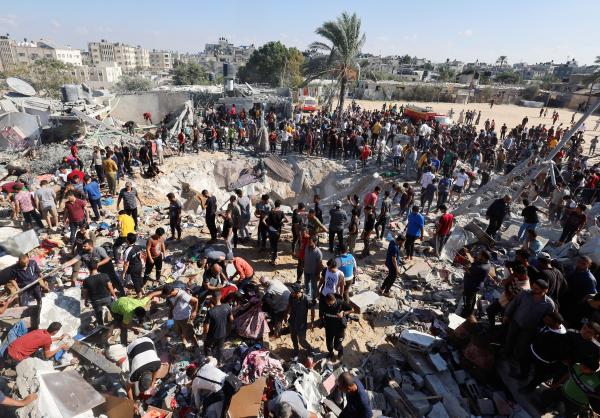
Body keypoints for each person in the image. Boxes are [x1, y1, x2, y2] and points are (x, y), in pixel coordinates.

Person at [503, 279, 556, 360]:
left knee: (521, 344)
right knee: (509, 339)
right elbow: (514, 303)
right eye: (533, 287)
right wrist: (507, 315)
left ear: (545, 290)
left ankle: (515, 359)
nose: (533, 290)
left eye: (536, 289)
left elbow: (547, 319)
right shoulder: (524, 293)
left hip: (529, 329)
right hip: (516, 322)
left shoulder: (549, 304)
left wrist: (539, 329)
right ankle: (506, 354)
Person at [517, 311, 568, 393]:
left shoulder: (561, 337)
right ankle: (523, 376)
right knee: (523, 361)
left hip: (544, 360)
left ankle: (529, 388)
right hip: (532, 351)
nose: (545, 320)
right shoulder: (548, 326)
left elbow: (558, 352)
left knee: (538, 376)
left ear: (556, 323)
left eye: (548, 320)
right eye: (545, 318)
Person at [561, 256, 597, 325]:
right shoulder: (573, 270)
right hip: (565, 299)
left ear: (589, 265)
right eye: (579, 262)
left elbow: (590, 295)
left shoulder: (590, 279)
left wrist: (579, 304)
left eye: (583, 264)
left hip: (574, 305)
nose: (580, 264)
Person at [126, 336, 162, 401]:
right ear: (139, 378)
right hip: (132, 346)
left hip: (148, 340)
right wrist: (132, 402)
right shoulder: (135, 373)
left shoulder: (157, 363)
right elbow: (128, 388)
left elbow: (156, 371)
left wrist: (153, 383)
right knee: (130, 364)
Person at [83, 260, 116, 325]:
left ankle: (101, 327)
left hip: (95, 301)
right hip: (106, 297)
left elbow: (85, 293)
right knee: (113, 311)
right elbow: (110, 287)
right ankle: (117, 322)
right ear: (97, 266)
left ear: (88, 268)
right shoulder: (104, 275)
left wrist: (85, 301)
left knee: (99, 316)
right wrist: (114, 295)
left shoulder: (86, 280)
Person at [203, 291, 233, 364]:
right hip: (223, 333)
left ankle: (209, 361)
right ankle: (220, 362)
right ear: (221, 297)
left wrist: (204, 336)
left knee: (207, 346)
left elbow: (206, 327)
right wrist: (228, 330)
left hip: (212, 335)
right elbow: (231, 319)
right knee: (220, 348)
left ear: (212, 298)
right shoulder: (227, 307)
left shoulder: (210, 312)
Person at [321, 293, 352, 361]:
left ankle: (340, 351)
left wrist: (343, 313)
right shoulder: (325, 304)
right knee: (329, 346)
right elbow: (322, 313)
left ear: (333, 300)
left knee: (337, 347)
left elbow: (352, 310)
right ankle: (331, 353)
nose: (328, 305)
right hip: (329, 328)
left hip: (339, 330)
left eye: (330, 303)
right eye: (327, 303)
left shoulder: (341, 303)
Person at [461, 250, 492, 317]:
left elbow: (470, 272)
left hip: (471, 285)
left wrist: (466, 269)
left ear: (483, 257)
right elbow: (475, 264)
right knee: (472, 297)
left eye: (480, 254)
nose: (478, 254)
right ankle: (471, 310)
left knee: (468, 299)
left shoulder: (481, 267)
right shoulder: (488, 264)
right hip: (477, 285)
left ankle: (466, 314)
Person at [287, 283, 313, 359]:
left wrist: (312, 321)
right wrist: (286, 314)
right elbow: (289, 305)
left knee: (302, 340)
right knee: (293, 337)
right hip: (292, 321)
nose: (291, 293)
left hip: (301, 324)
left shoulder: (307, 299)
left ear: (298, 292)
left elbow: (312, 309)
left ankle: (309, 349)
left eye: (293, 292)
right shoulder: (291, 296)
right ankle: (296, 350)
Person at [303, 235, 323, 304]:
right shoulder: (306, 247)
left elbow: (320, 265)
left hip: (313, 273)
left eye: (310, 242)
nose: (308, 243)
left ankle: (314, 299)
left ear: (315, 242)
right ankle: (307, 298)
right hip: (306, 271)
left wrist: (318, 274)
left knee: (314, 287)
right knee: (306, 285)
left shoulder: (318, 253)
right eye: (308, 241)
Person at [266, 199, 286, 264]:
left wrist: (268, 225)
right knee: (275, 244)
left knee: (272, 244)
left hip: (271, 230)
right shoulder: (281, 212)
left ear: (275, 204)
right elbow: (287, 220)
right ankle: (275, 258)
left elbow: (265, 220)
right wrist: (281, 221)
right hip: (278, 231)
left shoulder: (270, 212)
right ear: (280, 205)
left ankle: (273, 260)